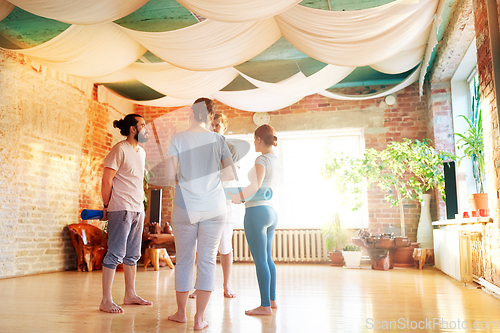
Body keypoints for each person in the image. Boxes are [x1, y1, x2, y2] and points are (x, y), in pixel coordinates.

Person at [166, 98, 234, 330]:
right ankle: (199, 319)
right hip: (214, 206)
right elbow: (229, 175)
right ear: (210, 116)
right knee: (206, 260)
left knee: (184, 260)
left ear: (192, 114)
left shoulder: (177, 138)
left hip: (185, 205)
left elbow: (170, 174)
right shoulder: (218, 140)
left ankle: (181, 313)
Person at [99, 114, 152, 313]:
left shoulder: (141, 152)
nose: (146, 129)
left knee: (132, 255)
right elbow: (106, 180)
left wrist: (142, 209)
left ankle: (130, 294)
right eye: (143, 125)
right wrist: (106, 205)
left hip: (138, 209)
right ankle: (106, 300)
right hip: (120, 208)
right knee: (115, 254)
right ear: (133, 129)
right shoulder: (119, 150)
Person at [229, 124, 280, 316]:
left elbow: (254, 186)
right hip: (271, 212)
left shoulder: (261, 159)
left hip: (257, 213)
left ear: (259, 139)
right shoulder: (276, 160)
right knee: (268, 259)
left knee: (260, 260)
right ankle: (272, 300)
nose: (254, 142)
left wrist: (238, 197)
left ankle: (264, 305)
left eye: (254, 139)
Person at [190, 113, 239, 299]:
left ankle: (227, 285)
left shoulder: (231, 148)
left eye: (218, 125)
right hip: (203, 202)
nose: (214, 127)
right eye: (212, 125)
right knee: (202, 247)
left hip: (223, 202)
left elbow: (228, 173)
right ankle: (199, 286)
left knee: (225, 246)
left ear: (224, 128)